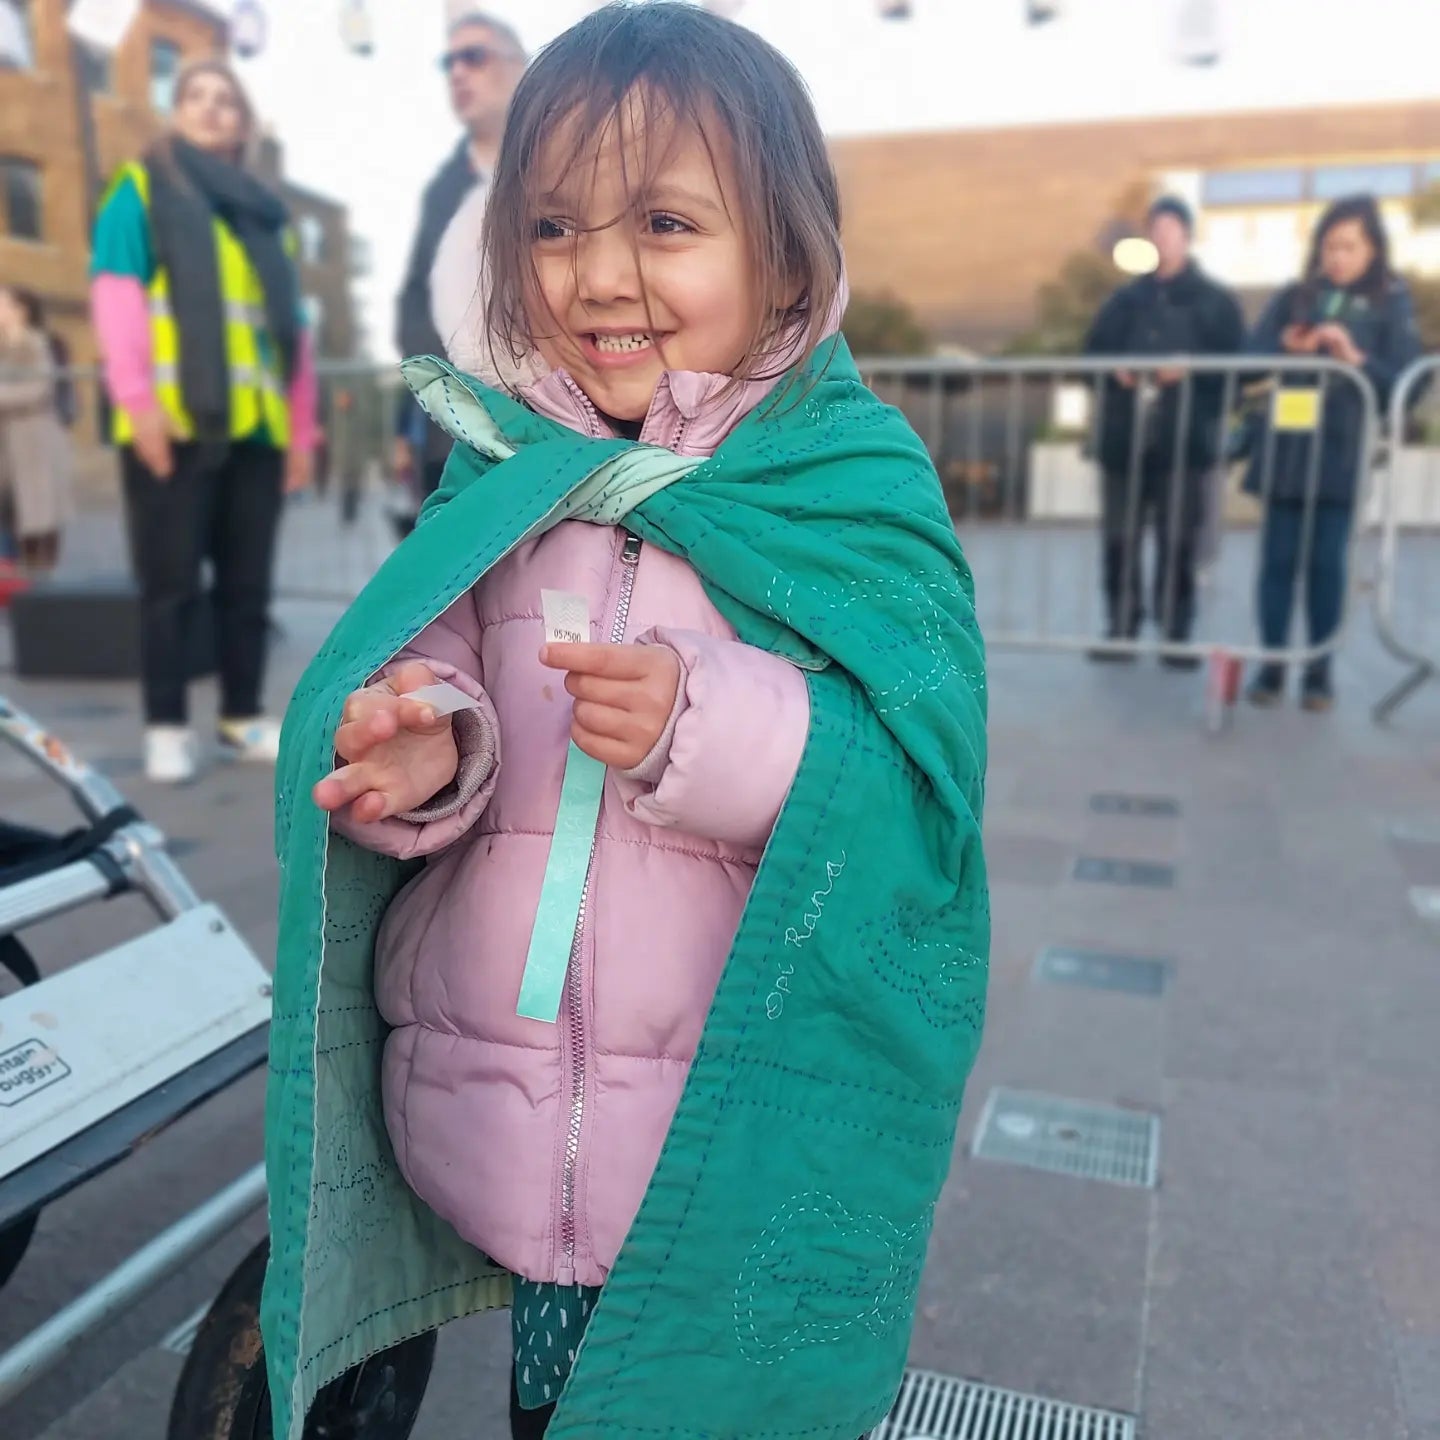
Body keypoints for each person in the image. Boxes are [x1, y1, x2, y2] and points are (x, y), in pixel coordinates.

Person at [263, 7, 989, 1439]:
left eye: (663, 222)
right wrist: (431, 742)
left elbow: (916, 777)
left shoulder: (846, 478)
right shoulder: (505, 468)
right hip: (508, 1105)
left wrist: (696, 729)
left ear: (786, 247)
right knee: (554, 1409)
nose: (599, 276)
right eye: (550, 228)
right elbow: (433, 650)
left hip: (718, 1127)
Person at [90, 58, 318, 783]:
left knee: (247, 586)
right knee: (171, 585)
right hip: (174, 427)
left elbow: (293, 333)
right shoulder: (143, 188)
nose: (213, 110)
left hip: (257, 431)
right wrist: (139, 407)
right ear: (176, 111)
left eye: (226, 101)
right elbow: (118, 297)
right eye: (198, 98)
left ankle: (240, 718)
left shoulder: (265, 214)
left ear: (242, 120)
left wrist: (302, 432)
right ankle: (165, 724)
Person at [1244, 195, 1422, 712]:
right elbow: (1248, 360)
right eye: (1330, 246)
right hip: (1286, 451)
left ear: (1372, 249)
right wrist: (1284, 347)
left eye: (1349, 246)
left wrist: (1353, 356)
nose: (1337, 257)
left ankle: (1318, 675)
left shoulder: (1392, 301)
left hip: (1341, 455)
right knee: (1277, 562)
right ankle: (1271, 667)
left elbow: (1405, 386)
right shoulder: (1295, 296)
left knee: (1327, 564)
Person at [1084, 196, 1244, 664]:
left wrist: (1190, 371)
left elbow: (1237, 367)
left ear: (1187, 235)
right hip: (1125, 440)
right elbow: (1090, 357)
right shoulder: (1124, 301)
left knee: (1178, 540)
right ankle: (1121, 626)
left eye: (1172, 228)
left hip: (1183, 442)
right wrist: (1117, 372)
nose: (1163, 237)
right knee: (1120, 538)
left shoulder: (1214, 302)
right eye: (1156, 228)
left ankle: (1175, 634)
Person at [393, 9, 528, 507]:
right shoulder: (442, 191)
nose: (458, 73)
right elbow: (414, 306)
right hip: (449, 437)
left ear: (520, 67)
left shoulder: (566, 168)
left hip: (545, 434)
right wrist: (406, 421)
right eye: (447, 62)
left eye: (473, 57)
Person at [0, 284, 73, 574]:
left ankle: (39, 585)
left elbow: (40, 388)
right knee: (14, 516)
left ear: (21, 311)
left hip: (34, 439)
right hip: (8, 442)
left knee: (38, 517)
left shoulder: (37, 343)